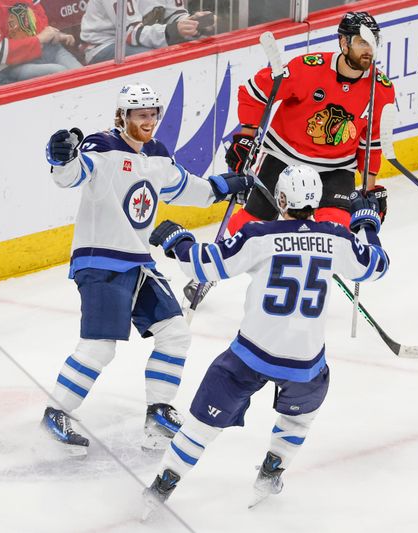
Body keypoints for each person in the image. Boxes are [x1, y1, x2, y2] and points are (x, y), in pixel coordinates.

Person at [142, 165, 389, 513]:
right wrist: (367, 224)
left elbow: (206, 265)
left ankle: (161, 486)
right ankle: (272, 470)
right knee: (299, 419)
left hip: (250, 355)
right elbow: (377, 265)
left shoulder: (260, 235)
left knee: (200, 427)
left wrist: (179, 242)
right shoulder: (337, 236)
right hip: (306, 364)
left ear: (282, 199)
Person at [41, 83, 253, 454]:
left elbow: (186, 188)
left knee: (175, 333)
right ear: (122, 117)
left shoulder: (156, 154)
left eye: (153, 114)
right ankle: (55, 413)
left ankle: (159, 413)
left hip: (138, 262)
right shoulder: (101, 146)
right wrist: (61, 158)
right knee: (100, 347)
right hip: (102, 259)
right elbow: (72, 174)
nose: (149, 121)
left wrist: (224, 186)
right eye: (141, 115)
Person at [184, 11, 394, 302]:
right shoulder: (309, 68)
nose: (368, 49)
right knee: (254, 221)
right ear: (343, 43)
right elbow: (254, 93)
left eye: (372, 42)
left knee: (334, 229)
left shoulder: (380, 88)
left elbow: (370, 143)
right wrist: (246, 136)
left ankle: (300, 278)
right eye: (361, 42)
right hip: (285, 156)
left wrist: (369, 188)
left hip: (336, 168)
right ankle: (217, 264)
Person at [0, 0, 82, 86]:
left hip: (45, 49)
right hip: (8, 67)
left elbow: (39, 22)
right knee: (60, 74)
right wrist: (39, 39)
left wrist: (53, 35)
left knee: (82, 74)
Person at [81, 0, 215, 64]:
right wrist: (174, 30)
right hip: (104, 46)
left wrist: (192, 22)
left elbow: (174, 15)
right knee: (152, 57)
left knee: (197, 44)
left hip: (140, 38)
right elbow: (131, 34)